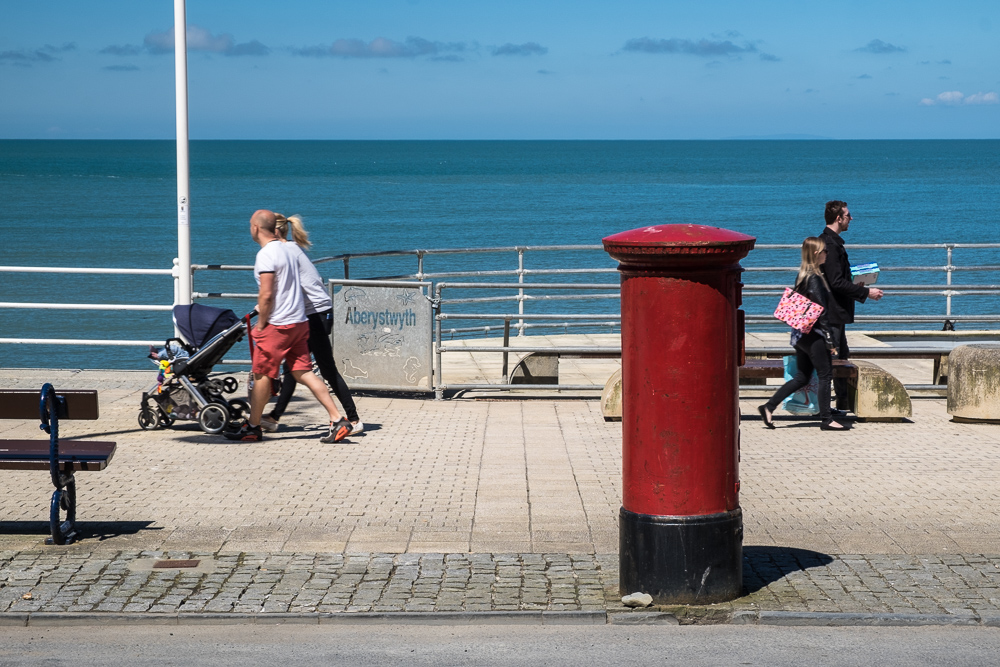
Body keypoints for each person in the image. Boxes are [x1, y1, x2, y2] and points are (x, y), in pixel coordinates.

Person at [225, 209, 352, 443]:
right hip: (299, 322)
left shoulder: (266, 255)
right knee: (303, 372)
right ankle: (337, 419)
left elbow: (266, 294)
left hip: (278, 324)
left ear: (255, 228)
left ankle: (253, 426)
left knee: (262, 374)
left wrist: (261, 324)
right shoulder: (290, 250)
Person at [259, 214, 363, 436]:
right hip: (317, 311)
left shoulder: (284, 251)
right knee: (298, 369)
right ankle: (274, 417)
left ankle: (352, 419)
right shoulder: (292, 248)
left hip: (313, 313)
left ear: (274, 232)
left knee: (316, 369)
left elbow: (279, 288)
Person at [759, 238, 850, 431]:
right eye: (825, 251)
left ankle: (769, 406)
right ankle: (826, 419)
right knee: (826, 375)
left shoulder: (802, 277)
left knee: (802, 377)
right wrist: (830, 340)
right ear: (817, 254)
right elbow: (821, 312)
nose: (827, 253)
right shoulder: (815, 279)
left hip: (800, 336)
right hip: (814, 335)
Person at [819, 201, 883, 412]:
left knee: (841, 358)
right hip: (832, 313)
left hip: (834, 312)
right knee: (835, 361)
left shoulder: (829, 242)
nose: (851, 218)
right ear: (839, 218)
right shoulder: (830, 245)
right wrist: (866, 292)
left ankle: (842, 405)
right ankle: (831, 410)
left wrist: (855, 284)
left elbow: (835, 279)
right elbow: (835, 282)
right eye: (848, 215)